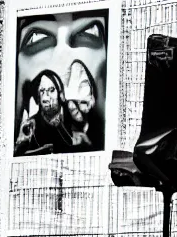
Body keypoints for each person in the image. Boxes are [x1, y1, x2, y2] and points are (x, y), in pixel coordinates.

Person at [15, 11, 107, 153]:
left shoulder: (77, 119)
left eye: (87, 32)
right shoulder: (31, 126)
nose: (47, 97)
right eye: (38, 38)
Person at [14, 70, 76, 156]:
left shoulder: (74, 114)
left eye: (51, 90)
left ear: (60, 94)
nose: (46, 97)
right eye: (42, 91)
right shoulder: (31, 126)